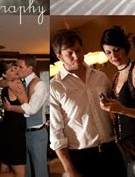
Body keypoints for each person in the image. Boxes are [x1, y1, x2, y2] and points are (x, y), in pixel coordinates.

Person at [50, 29, 126, 177]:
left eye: (78, 50)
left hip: (112, 152)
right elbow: (56, 132)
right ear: (59, 57)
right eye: (69, 53)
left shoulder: (101, 77)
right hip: (82, 158)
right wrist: (69, 169)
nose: (76, 56)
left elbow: (118, 105)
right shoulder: (55, 87)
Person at [99, 26, 135, 172]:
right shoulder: (115, 77)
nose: (113, 56)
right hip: (126, 145)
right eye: (108, 52)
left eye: (116, 49)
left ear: (125, 47)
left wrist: (122, 110)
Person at [2, 55, 49, 177]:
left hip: (37, 134)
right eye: (16, 66)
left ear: (30, 68)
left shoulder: (39, 84)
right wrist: (7, 82)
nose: (17, 69)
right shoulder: (18, 81)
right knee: (26, 170)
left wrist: (10, 108)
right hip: (22, 134)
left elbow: (32, 109)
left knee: (40, 171)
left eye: (20, 67)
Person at [0, 60, 27, 177]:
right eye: (11, 70)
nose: (16, 70)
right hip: (15, 133)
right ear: (4, 75)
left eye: (16, 67)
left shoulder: (7, 84)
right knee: (20, 174)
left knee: (5, 167)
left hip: (7, 129)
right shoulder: (16, 85)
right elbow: (28, 108)